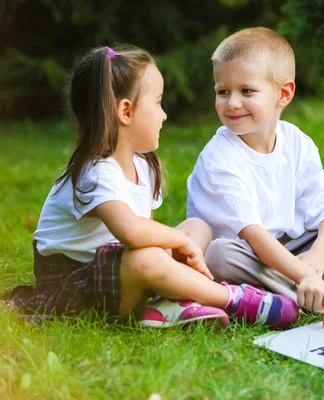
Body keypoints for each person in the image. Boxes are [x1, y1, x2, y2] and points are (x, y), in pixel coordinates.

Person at [4, 45, 298, 330]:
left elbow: (146, 233)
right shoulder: (95, 173)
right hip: (76, 291)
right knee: (148, 256)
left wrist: (176, 245)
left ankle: (162, 306)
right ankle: (234, 299)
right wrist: (177, 244)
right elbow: (131, 232)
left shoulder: (142, 166)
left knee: (198, 226)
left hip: (117, 277)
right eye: (157, 102)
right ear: (126, 112)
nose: (164, 115)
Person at [187, 28, 324, 327]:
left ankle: (303, 286)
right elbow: (255, 236)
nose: (232, 102)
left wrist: (320, 255)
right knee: (218, 255)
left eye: (246, 91)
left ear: (283, 94)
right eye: (223, 92)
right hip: (248, 256)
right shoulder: (218, 159)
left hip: (296, 248)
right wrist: (303, 273)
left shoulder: (295, 141)